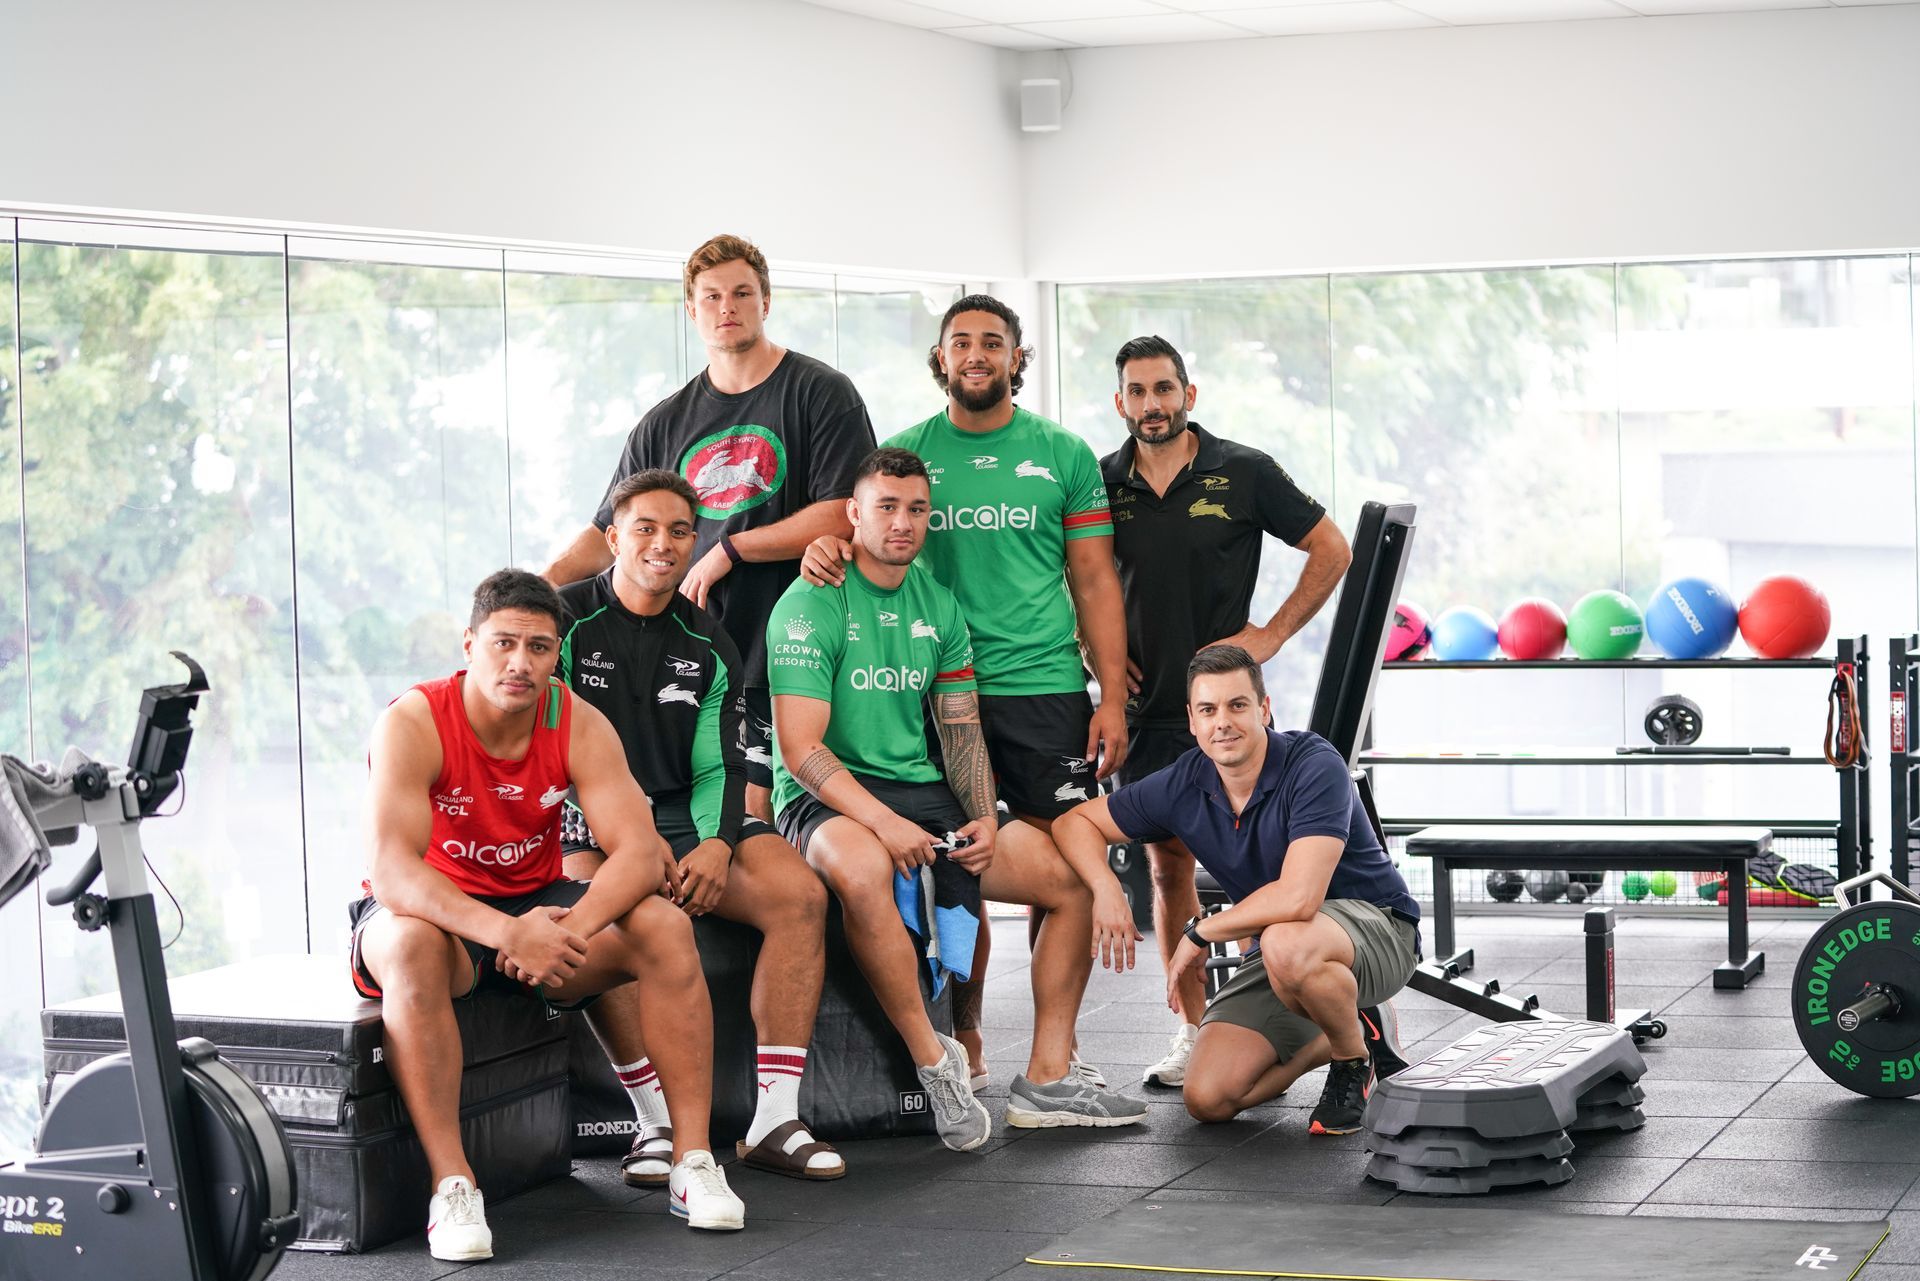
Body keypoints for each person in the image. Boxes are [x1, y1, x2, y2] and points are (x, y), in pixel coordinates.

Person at [351, 570, 744, 1259]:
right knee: (408, 945)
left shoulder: (577, 721)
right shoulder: (413, 721)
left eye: (539, 647)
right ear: (469, 643)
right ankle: (452, 1184)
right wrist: (506, 932)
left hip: (539, 912)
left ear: (556, 654)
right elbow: (392, 871)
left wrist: (575, 927)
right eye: (504, 643)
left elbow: (636, 852)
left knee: (663, 925)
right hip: (438, 916)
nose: (520, 662)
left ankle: (692, 1160)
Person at [771, 447, 1147, 1149]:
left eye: (916, 508)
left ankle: (1047, 1074)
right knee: (862, 869)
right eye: (885, 506)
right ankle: (935, 1061)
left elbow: (961, 728)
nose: (903, 521)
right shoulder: (810, 599)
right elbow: (801, 751)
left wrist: (980, 814)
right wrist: (884, 824)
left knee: (1067, 881)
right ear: (853, 513)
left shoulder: (937, 604)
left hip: (920, 790)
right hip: (825, 796)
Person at [801, 295, 1128, 1085]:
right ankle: (969, 1033)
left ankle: (1058, 1054)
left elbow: (1092, 576)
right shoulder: (907, 453)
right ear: (941, 358)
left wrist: (1111, 693)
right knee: (967, 862)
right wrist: (823, 546)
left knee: (1064, 865)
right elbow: (868, 535)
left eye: (993, 342)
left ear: (1019, 357)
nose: (976, 354)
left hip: (1045, 688)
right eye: (961, 342)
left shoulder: (1064, 453)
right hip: (935, 691)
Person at [555, 468, 843, 1185]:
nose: (663, 544)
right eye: (645, 528)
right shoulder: (562, 622)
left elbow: (723, 762)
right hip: (590, 826)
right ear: (614, 536)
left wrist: (716, 842)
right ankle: (652, 1120)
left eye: (680, 530)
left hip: (689, 817)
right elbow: (550, 756)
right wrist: (632, 842)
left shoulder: (710, 639)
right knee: (624, 912)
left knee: (800, 896)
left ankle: (775, 1118)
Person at [544, 233, 877, 824]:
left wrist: (731, 548)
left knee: (789, 825)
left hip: (799, 646)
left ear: (766, 301)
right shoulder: (664, 422)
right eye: (712, 296)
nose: (728, 307)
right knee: (724, 820)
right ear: (691, 309)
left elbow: (844, 510)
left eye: (742, 293)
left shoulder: (821, 392)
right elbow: (609, 532)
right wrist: (534, 593)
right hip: (702, 651)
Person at [1101, 334, 1352, 1089]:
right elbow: (1076, 576)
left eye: (1164, 389)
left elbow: (1332, 549)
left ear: (1189, 395)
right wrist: (1098, 659)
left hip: (1226, 708)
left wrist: (1270, 634)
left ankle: (1296, 1002)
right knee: (1167, 865)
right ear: (1121, 403)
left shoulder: (1243, 470)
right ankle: (1192, 1027)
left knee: (1265, 865)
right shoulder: (1100, 479)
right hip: (1149, 711)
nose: (1152, 404)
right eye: (1138, 392)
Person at [1052, 645, 1420, 1136]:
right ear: (1192, 720)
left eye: (1237, 705)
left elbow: (1298, 899)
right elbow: (1074, 822)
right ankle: (1347, 1033)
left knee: (1285, 939)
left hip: (1377, 929)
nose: (1222, 722)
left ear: (1264, 709)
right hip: (1284, 950)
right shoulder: (1186, 781)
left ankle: (1352, 1063)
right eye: (1208, 709)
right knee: (1208, 1098)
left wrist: (1200, 931)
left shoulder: (1313, 763)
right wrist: (1105, 887)